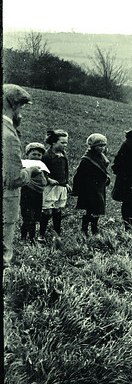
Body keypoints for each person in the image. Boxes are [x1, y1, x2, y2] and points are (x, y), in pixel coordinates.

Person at [3, 84, 46, 268]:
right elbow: (14, 179)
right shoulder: (9, 135)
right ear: (14, 106)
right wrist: (30, 171)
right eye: (21, 107)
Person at [71, 133, 111, 236]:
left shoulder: (101, 157)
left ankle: (94, 229)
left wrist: (106, 178)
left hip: (99, 187)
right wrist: (76, 189)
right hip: (89, 188)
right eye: (99, 146)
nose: (102, 148)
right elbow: (79, 175)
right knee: (91, 210)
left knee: (97, 210)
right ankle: (85, 230)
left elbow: (103, 170)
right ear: (92, 146)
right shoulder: (87, 159)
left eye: (103, 145)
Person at [39, 128, 71, 241]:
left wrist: (66, 183)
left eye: (66, 142)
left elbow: (65, 170)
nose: (65, 145)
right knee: (47, 211)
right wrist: (48, 179)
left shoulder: (63, 154)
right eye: (62, 142)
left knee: (57, 210)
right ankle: (41, 234)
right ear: (53, 142)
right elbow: (41, 171)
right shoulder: (47, 156)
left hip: (60, 187)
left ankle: (57, 233)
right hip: (50, 187)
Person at [20, 142, 48, 244]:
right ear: (27, 154)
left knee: (35, 217)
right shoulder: (23, 163)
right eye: (34, 154)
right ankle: (23, 237)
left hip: (38, 193)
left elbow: (44, 176)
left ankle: (32, 238)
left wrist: (47, 180)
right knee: (28, 216)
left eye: (39, 155)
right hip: (27, 192)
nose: (36, 157)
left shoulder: (41, 164)